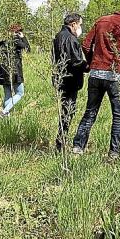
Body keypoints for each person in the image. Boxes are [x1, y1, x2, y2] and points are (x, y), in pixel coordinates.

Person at [72, 3, 120, 160]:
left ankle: (77, 148)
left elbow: (85, 45)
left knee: (90, 113)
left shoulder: (101, 21)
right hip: (116, 77)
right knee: (119, 116)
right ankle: (114, 153)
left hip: (95, 75)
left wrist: (94, 62)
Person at [52, 13, 88, 152]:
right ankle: (60, 144)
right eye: (80, 24)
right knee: (67, 112)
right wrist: (88, 66)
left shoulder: (58, 36)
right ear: (73, 24)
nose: (80, 27)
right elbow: (75, 62)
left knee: (65, 111)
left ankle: (60, 142)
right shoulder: (70, 39)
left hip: (61, 79)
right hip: (70, 80)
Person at [0, 24, 30, 118]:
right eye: (18, 32)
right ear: (16, 32)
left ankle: (6, 118)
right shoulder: (16, 41)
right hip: (14, 70)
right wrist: (23, 37)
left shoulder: (2, 41)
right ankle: (4, 111)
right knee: (20, 93)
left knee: (8, 94)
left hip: (2, 70)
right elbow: (27, 48)